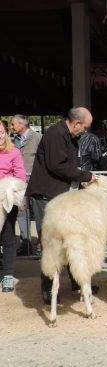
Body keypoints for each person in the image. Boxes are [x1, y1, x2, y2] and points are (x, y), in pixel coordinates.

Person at [26, 107, 96, 304]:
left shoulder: (68, 136)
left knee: (72, 239)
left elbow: (66, 166)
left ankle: (77, 281)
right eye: (85, 127)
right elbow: (57, 165)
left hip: (60, 196)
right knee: (50, 243)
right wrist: (85, 176)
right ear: (76, 124)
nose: (85, 131)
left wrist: (78, 178)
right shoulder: (56, 134)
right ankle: (48, 289)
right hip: (46, 196)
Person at [0, 120, 27, 292]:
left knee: (8, 237)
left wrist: (10, 188)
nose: (0, 136)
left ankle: (8, 275)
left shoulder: (14, 152)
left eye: (2, 132)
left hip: (7, 201)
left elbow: (21, 176)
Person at [10, 114, 41, 255]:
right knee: (22, 213)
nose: (11, 127)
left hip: (36, 182)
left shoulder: (38, 138)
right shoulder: (13, 141)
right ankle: (26, 245)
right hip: (20, 184)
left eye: (13, 124)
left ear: (22, 125)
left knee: (40, 213)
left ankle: (43, 245)